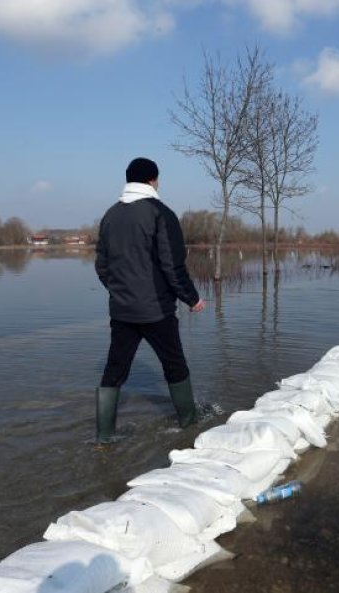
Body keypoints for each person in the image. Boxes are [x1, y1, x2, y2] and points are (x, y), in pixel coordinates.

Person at [94, 157, 206, 444]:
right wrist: (191, 298)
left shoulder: (109, 215)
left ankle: (104, 437)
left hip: (122, 311)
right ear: (153, 180)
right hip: (156, 310)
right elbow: (172, 265)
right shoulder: (161, 213)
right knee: (175, 366)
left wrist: (120, 291)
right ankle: (189, 425)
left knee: (114, 371)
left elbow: (102, 266)